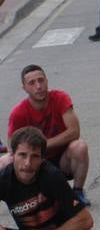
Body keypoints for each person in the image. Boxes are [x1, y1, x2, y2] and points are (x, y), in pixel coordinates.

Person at [4, 66, 91, 207]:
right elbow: (12, 148)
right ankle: (20, 200)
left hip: (62, 159)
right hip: (34, 163)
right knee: (5, 162)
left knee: (79, 146)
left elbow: (74, 131)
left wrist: (43, 144)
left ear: (47, 81)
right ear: (24, 88)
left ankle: (77, 192)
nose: (38, 86)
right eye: (32, 83)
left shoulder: (60, 98)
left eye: (41, 80)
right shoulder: (18, 113)